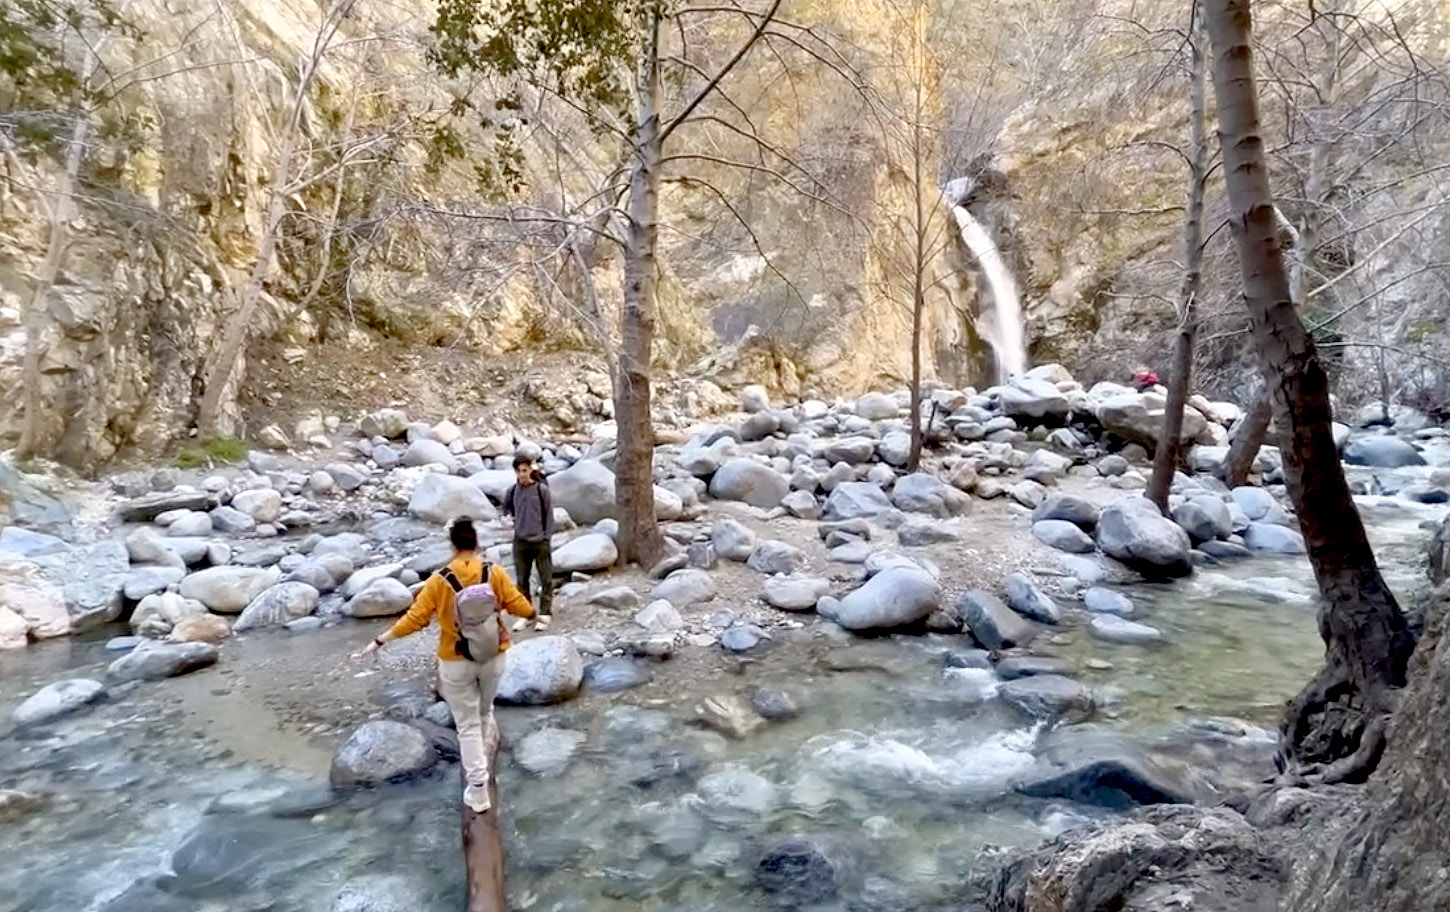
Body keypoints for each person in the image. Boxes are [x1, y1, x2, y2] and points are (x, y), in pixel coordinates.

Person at [351, 518, 534, 813]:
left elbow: (415, 618)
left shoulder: (439, 580)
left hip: (456, 661)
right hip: (492, 656)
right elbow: (524, 608)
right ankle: (485, 767)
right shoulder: (493, 572)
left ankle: (478, 792)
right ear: (476, 543)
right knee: (484, 713)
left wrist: (381, 640)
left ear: (452, 545)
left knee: (467, 726)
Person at [502, 454, 554, 630]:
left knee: (545, 578)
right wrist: (508, 524)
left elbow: (549, 516)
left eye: (525, 470)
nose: (522, 474)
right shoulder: (512, 491)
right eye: (519, 471)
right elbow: (506, 512)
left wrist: (546, 537)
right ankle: (527, 613)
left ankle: (545, 613)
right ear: (515, 472)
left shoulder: (541, 490)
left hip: (540, 541)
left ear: (531, 470)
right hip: (520, 542)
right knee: (521, 580)